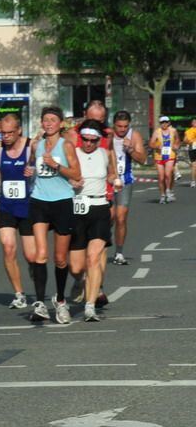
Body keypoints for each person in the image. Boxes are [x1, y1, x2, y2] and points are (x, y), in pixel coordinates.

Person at [26, 106, 81, 324]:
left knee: (60, 258)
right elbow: (32, 165)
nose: (48, 124)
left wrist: (56, 165)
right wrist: (30, 171)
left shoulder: (66, 145)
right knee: (40, 254)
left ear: (60, 124)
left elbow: (76, 173)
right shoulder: (37, 145)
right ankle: (40, 303)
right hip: (39, 200)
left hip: (62, 202)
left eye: (52, 120)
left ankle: (60, 301)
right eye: (45, 120)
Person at [0, 113, 36, 310]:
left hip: (28, 207)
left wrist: (34, 169)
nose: (6, 137)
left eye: (10, 133)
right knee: (8, 248)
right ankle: (19, 294)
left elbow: (43, 165)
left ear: (19, 130)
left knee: (32, 256)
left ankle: (38, 287)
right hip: (6, 206)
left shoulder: (31, 146)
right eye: (3, 133)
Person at [68, 120, 118, 322]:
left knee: (94, 257)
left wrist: (115, 180)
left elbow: (112, 173)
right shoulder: (73, 154)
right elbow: (64, 175)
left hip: (99, 209)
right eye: (85, 140)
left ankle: (90, 306)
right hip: (77, 209)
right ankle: (81, 282)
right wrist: (72, 181)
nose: (88, 144)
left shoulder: (106, 154)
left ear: (99, 140)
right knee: (77, 267)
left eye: (93, 140)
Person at [110, 110, 146, 265]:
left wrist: (130, 149)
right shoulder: (108, 135)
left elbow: (143, 159)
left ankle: (119, 253)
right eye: (119, 126)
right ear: (114, 125)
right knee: (108, 217)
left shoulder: (134, 136)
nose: (122, 129)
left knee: (121, 217)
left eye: (125, 126)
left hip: (125, 180)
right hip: (108, 180)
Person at [150, 116, 180, 203]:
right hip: (159, 156)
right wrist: (156, 146)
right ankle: (162, 195)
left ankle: (168, 191)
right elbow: (151, 143)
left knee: (168, 174)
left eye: (166, 122)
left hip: (170, 155)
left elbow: (178, 140)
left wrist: (176, 145)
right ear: (160, 123)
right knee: (161, 177)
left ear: (169, 123)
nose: (164, 124)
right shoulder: (157, 132)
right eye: (162, 122)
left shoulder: (173, 131)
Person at [185, 118, 196, 188]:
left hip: (192, 149)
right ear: (192, 123)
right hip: (192, 149)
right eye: (194, 122)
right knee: (194, 166)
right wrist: (190, 142)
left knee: (194, 166)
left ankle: (193, 182)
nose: (195, 123)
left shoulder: (188, 131)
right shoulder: (188, 131)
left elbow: (185, 140)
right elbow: (185, 140)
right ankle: (193, 181)